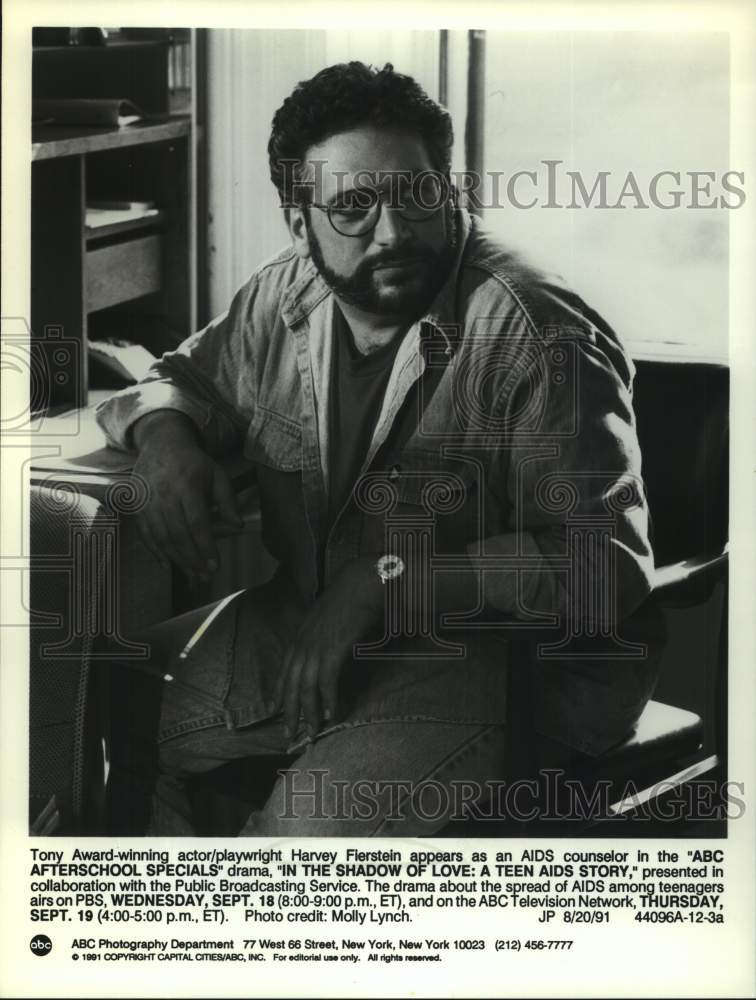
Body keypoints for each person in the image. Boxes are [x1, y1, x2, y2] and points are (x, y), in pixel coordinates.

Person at [96, 61, 661, 836]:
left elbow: (607, 568)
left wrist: (386, 581)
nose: (393, 233)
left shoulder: (536, 333)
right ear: (301, 226)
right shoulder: (280, 296)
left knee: (297, 849)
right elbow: (177, 381)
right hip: (306, 628)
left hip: (501, 669)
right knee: (90, 706)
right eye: (354, 208)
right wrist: (163, 437)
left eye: (419, 196)